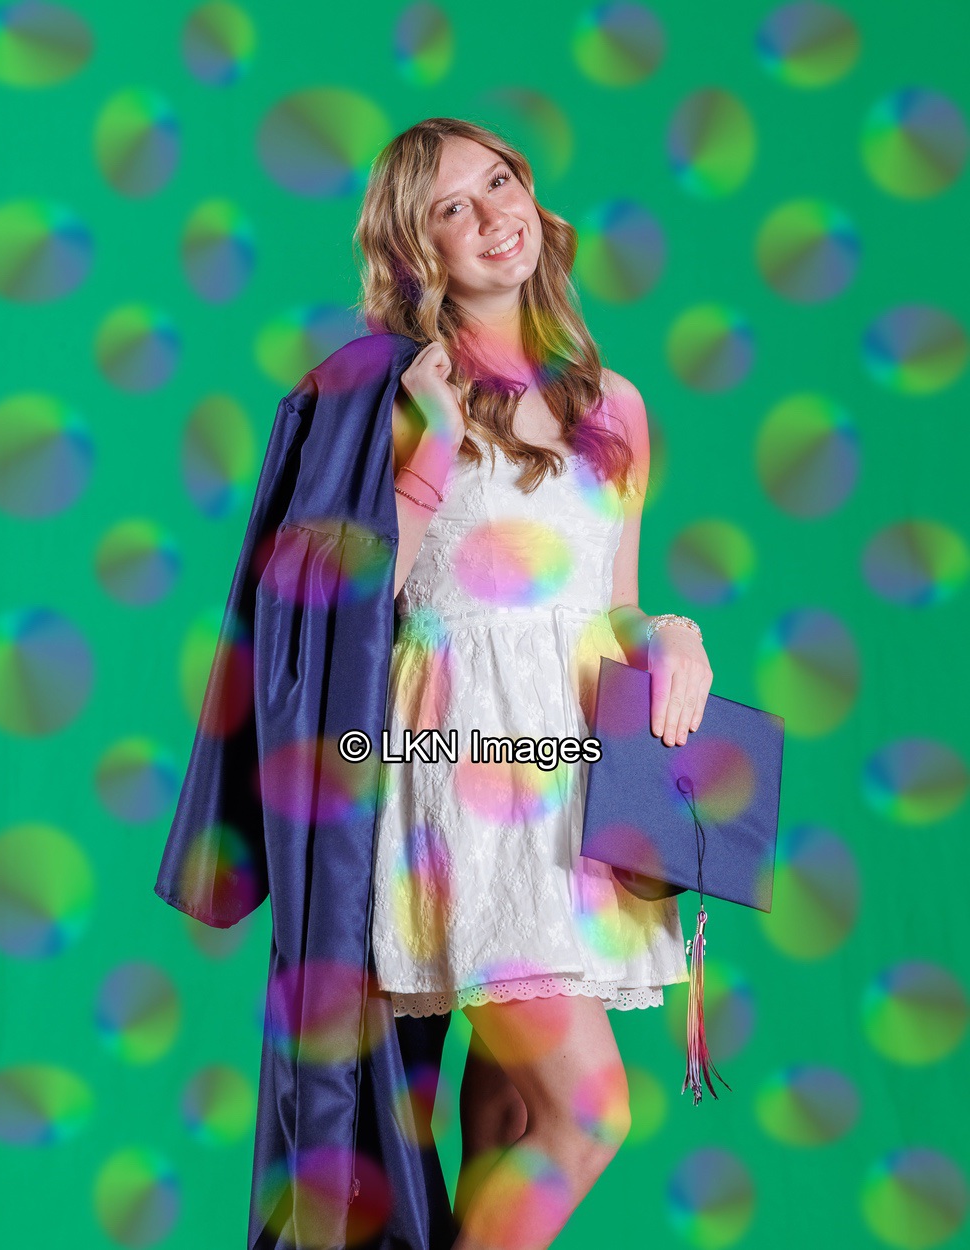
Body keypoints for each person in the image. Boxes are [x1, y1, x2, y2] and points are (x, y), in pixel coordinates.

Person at [353, 117, 714, 1250]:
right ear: (416, 248)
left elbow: (610, 602)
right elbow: (354, 608)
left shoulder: (615, 405)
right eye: (451, 207)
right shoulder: (396, 398)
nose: (491, 214)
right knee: (585, 1112)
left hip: (581, 780)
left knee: (510, 1115)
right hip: (468, 771)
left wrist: (675, 635)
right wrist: (426, 447)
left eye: (499, 181)